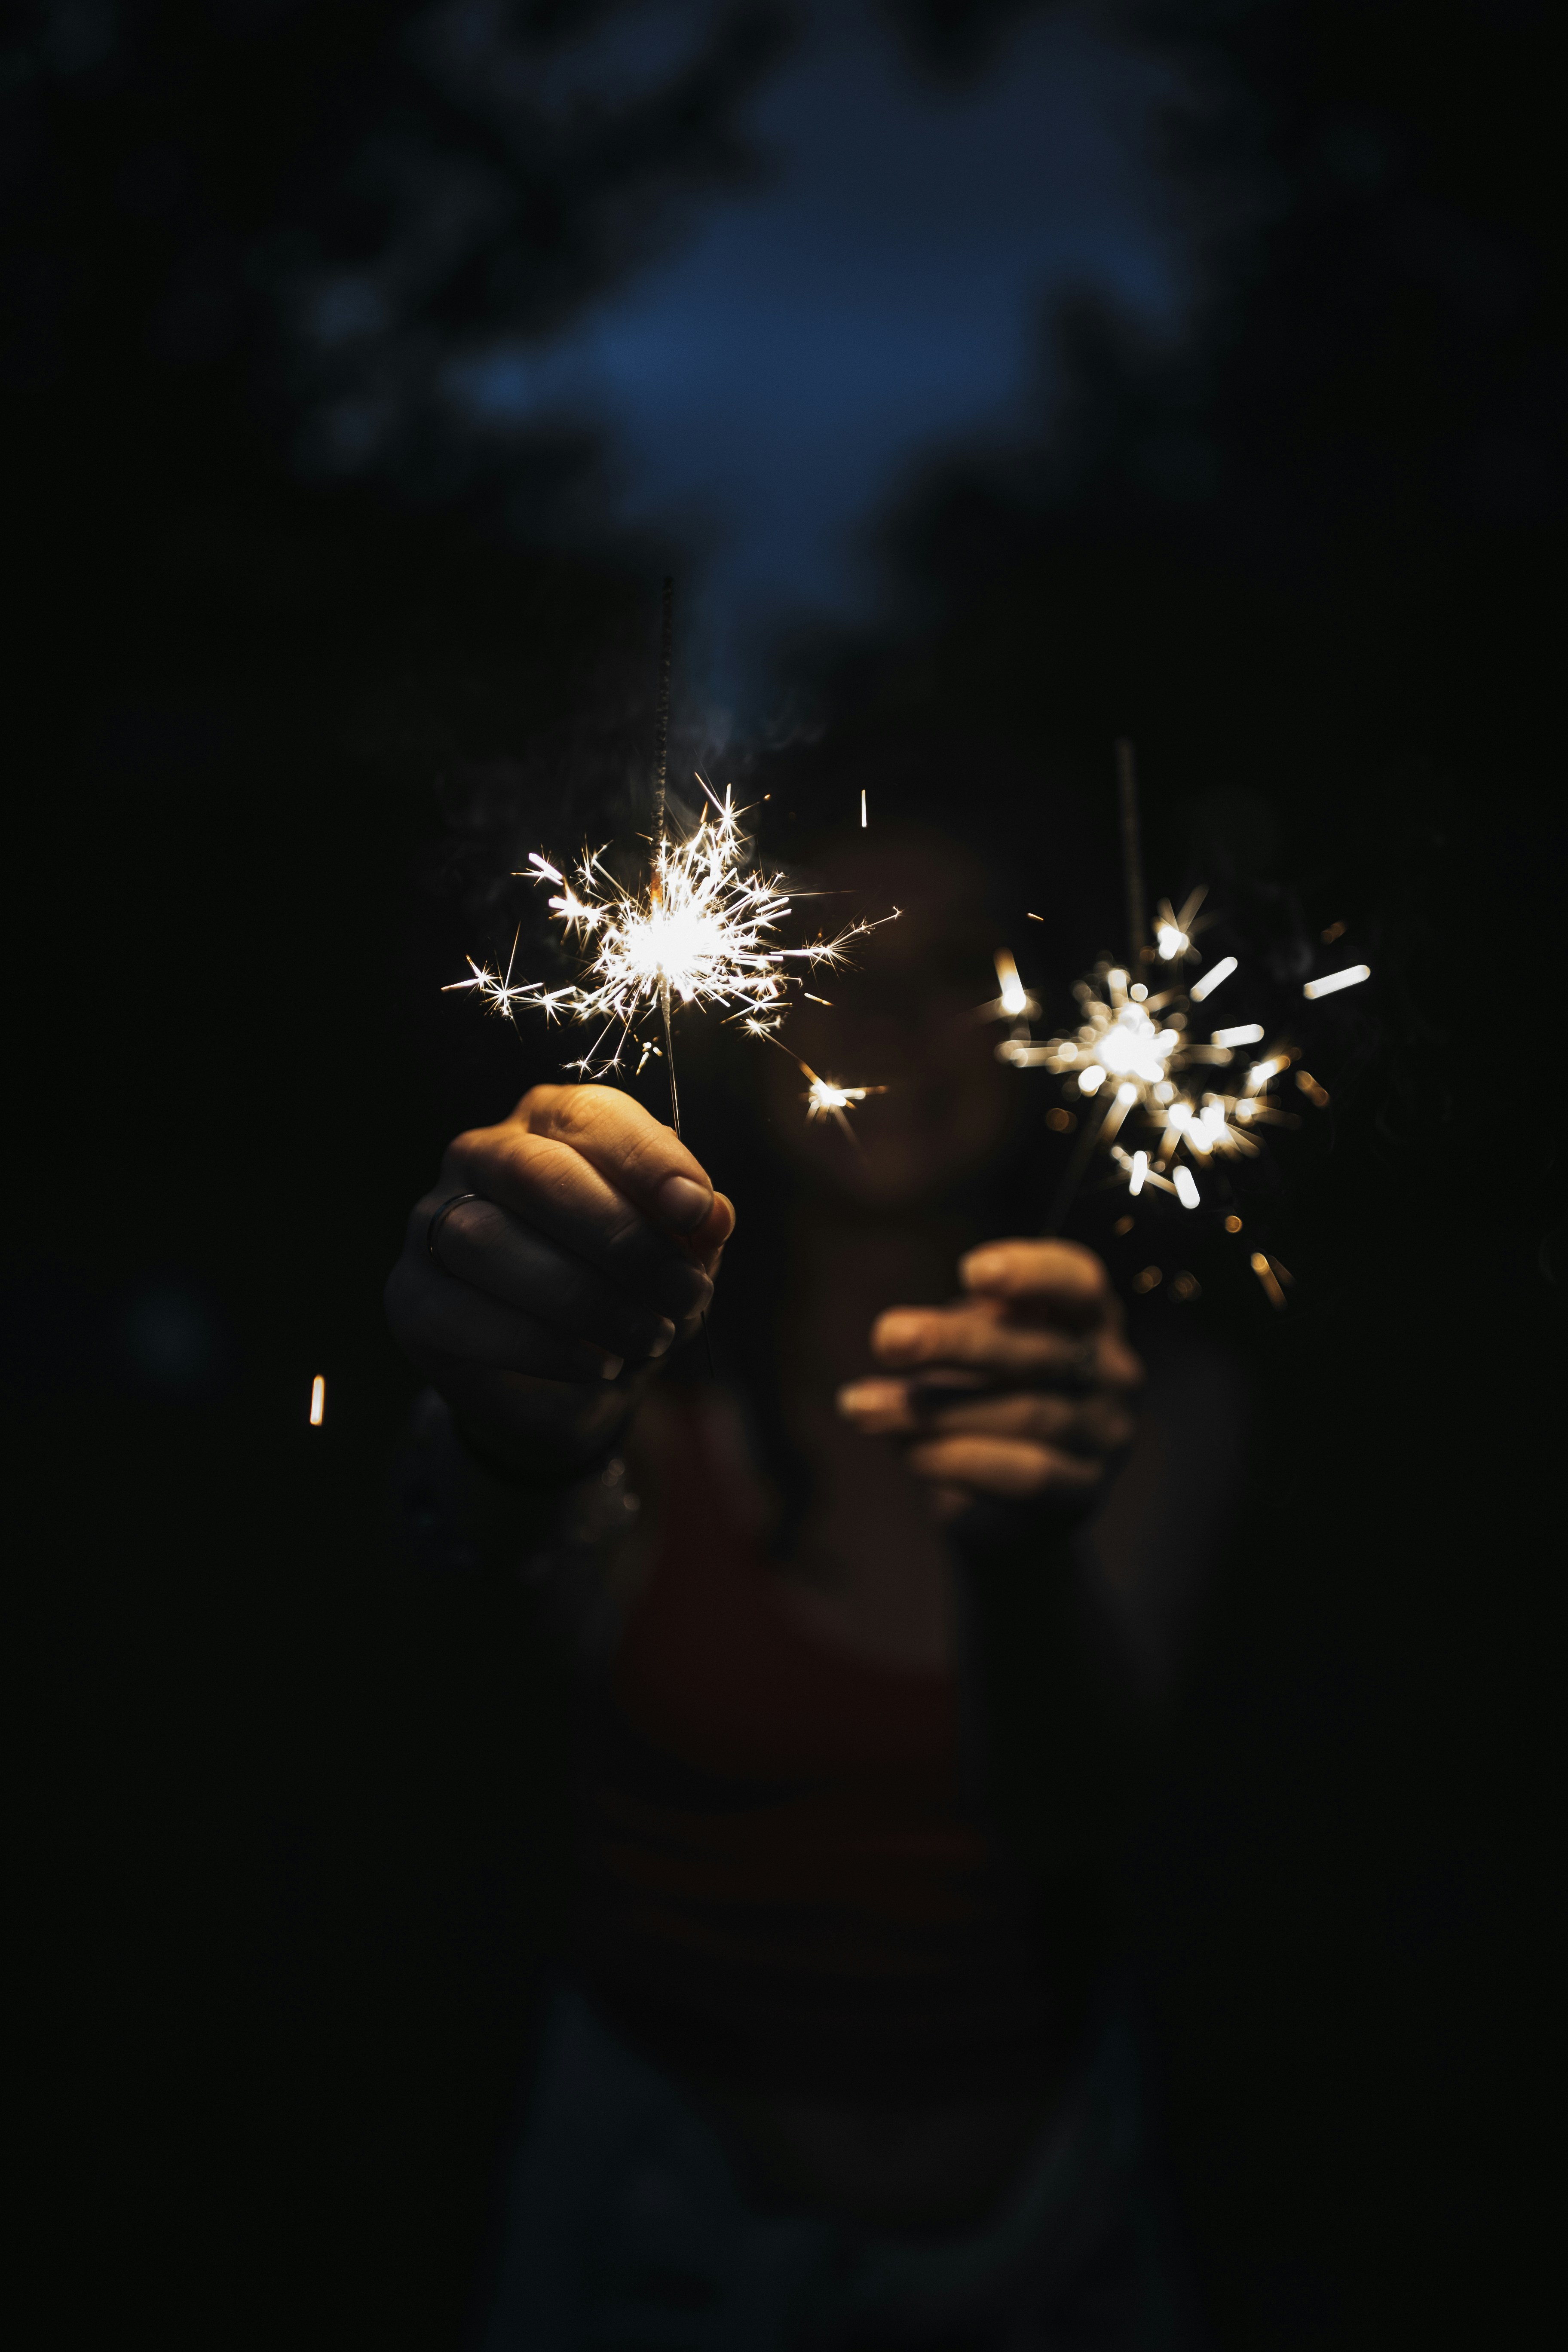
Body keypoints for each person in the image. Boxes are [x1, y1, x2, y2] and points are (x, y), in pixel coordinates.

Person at [386, 830, 1243, 2348]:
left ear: (1039, 1015)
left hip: (1051, 2224)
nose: (891, 1026)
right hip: (657, 2204)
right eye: (840, 968)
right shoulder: (641, 1357)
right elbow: (477, 1651)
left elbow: (1094, 1825)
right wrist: (518, 1437)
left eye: (950, 970)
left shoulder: (1146, 1392)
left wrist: (1026, 1549)